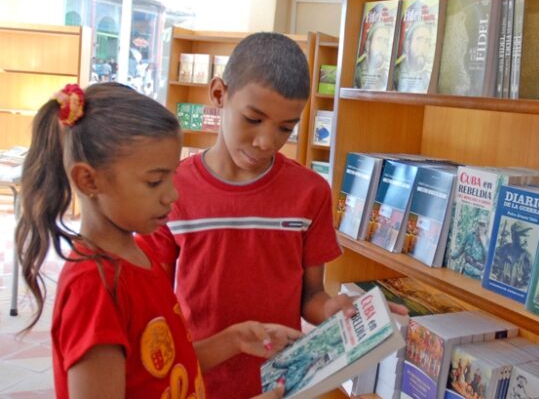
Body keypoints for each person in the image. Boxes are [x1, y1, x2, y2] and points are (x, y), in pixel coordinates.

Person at [142, 33, 404, 398]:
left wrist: (336, 310)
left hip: (282, 385)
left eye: (285, 128)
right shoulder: (171, 192)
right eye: (253, 119)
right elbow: (151, 305)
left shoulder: (309, 192)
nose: (266, 142)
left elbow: (310, 297)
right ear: (219, 94)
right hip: (198, 380)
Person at [16, 83, 301, 398]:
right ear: (89, 179)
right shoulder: (94, 288)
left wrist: (233, 340)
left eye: (171, 177)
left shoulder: (139, 256)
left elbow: (163, 369)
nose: (172, 195)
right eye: (154, 182)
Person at [394, 19, 435, 92]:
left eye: (427, 41)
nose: (423, 46)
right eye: (419, 39)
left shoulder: (427, 77)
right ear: (407, 45)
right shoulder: (395, 74)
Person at [354, 21, 392, 90]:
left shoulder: (387, 76)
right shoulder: (356, 72)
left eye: (386, 42)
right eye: (379, 39)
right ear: (368, 45)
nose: (382, 46)